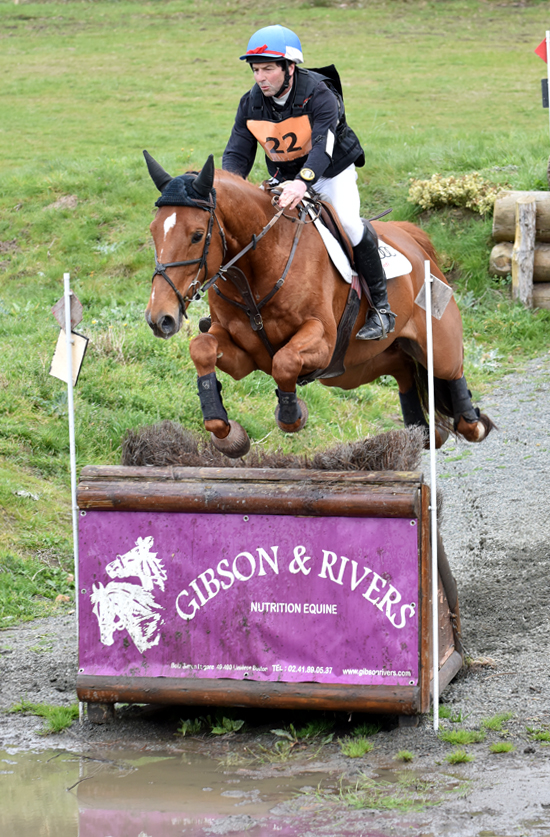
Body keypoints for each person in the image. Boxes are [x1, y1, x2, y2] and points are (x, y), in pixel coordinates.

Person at [222, 24, 395, 340]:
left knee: (347, 222)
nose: (260, 77)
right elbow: (237, 154)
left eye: (268, 69)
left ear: (290, 67)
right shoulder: (249, 103)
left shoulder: (319, 93)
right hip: (283, 178)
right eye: (256, 70)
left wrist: (303, 183)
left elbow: (323, 149)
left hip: (330, 172)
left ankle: (382, 310)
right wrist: (227, 187)